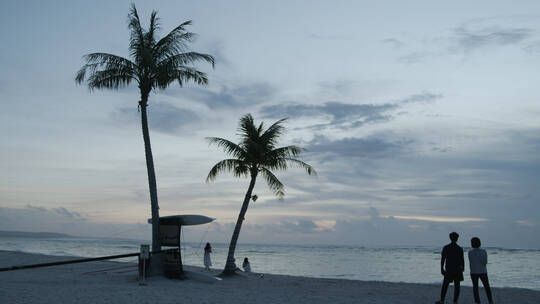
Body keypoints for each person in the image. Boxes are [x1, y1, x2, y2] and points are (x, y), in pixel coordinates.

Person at [436, 232, 464, 304]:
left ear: (450, 238)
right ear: (457, 238)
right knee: (457, 286)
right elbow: (462, 260)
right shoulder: (459, 249)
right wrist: (463, 268)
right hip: (457, 269)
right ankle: (455, 301)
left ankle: (442, 300)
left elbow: (443, 259)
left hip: (449, 269)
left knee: (445, 285)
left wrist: (441, 268)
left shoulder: (446, 247)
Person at [469, 237, 494, 304]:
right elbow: (485, 262)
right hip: (483, 271)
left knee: (475, 287)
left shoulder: (470, 252)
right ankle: (490, 300)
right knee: (486, 287)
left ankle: (477, 301)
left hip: (473, 271)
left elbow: (471, 262)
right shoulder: (483, 251)